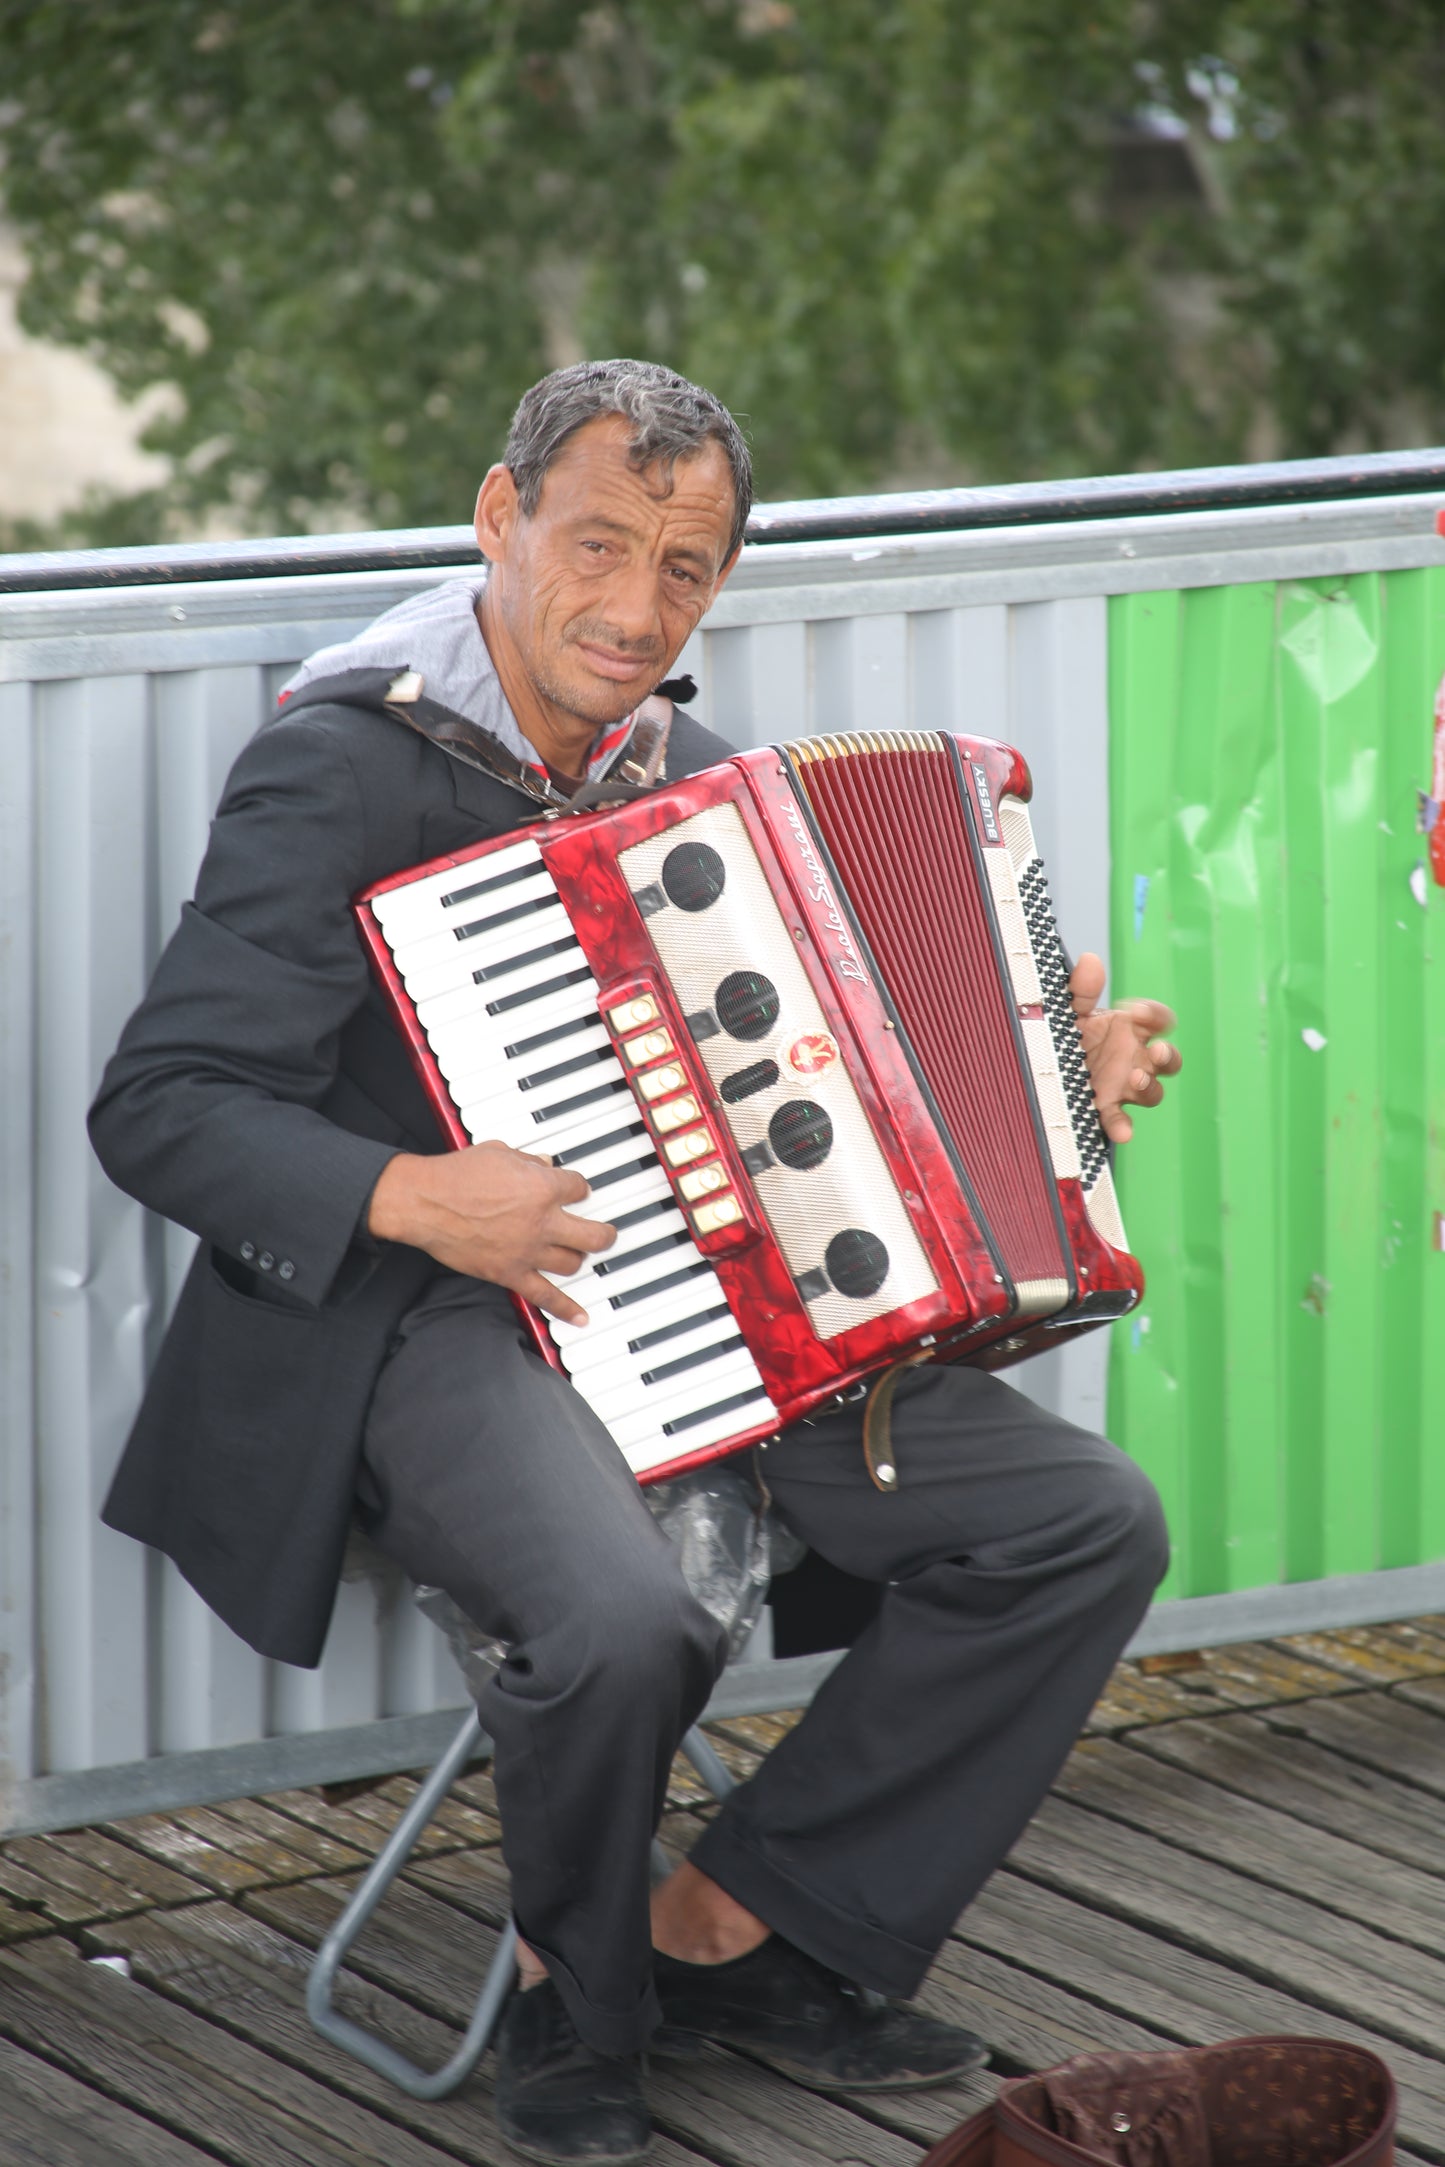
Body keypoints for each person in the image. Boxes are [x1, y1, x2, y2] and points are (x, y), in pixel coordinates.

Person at [90, 359, 1178, 2167]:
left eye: (686, 570)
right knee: (615, 1615)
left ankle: (742, 1930)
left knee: (1078, 1524)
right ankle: (567, 1996)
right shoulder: (340, 765)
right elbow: (168, 1104)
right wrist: (417, 1196)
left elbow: (828, 1090)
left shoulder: (699, 774)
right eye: (598, 544)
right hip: (430, 1325)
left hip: (719, 1304)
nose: (636, 607)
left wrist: (1049, 1060)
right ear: (498, 519)